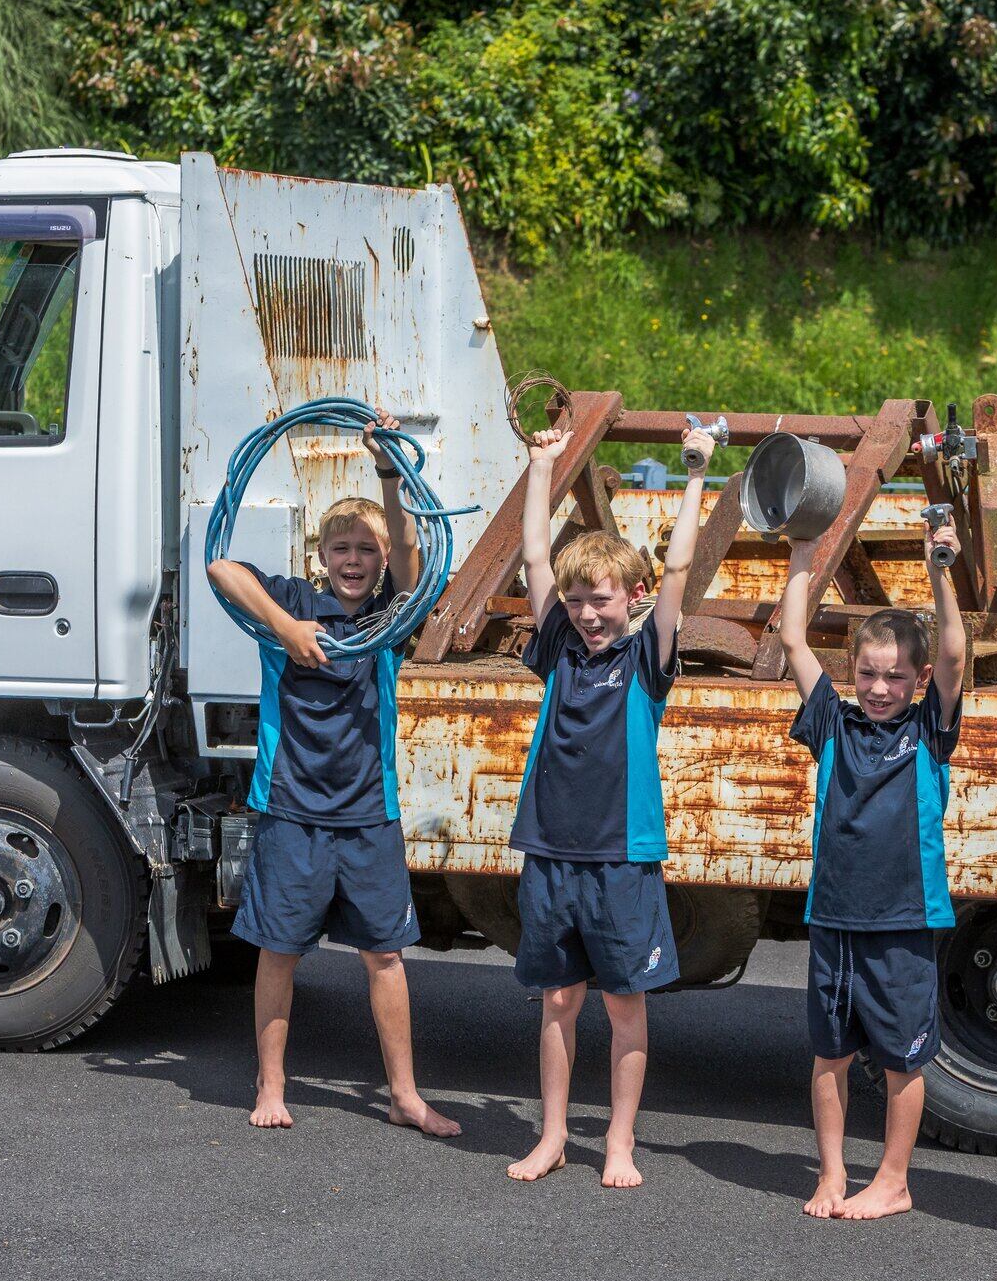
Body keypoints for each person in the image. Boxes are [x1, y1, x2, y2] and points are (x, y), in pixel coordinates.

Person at [205, 408, 460, 1140]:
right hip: (291, 809)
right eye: (341, 548)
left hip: (367, 813)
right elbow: (220, 566)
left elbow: (415, 561)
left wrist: (386, 466)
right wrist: (287, 631)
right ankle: (273, 1081)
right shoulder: (290, 603)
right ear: (321, 555)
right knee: (278, 951)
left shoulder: (388, 612)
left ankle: (405, 1094)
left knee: (386, 954)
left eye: (366, 551)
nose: (355, 560)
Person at [503, 422, 714, 1188]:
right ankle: (553, 1133)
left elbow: (681, 567)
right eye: (578, 600)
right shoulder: (558, 645)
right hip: (552, 850)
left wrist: (694, 475)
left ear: (633, 598)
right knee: (558, 999)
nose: (589, 614)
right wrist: (542, 466)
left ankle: (619, 1141)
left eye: (602, 600)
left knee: (625, 1005)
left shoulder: (644, 658)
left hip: (623, 857)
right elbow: (532, 554)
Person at [780, 518, 966, 1220]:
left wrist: (940, 569)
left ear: (917, 680)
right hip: (832, 917)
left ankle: (892, 1178)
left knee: (900, 1060)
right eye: (867, 673)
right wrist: (803, 555)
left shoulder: (929, 730)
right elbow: (795, 641)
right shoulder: (832, 722)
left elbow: (954, 650)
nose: (879, 688)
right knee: (827, 1056)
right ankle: (832, 1174)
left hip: (903, 921)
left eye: (894, 676)